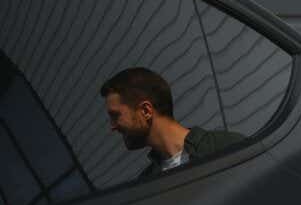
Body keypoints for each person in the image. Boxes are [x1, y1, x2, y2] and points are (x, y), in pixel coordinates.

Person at [100, 67, 245, 179]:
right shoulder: (146, 184)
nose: (112, 126)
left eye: (115, 115)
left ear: (146, 111)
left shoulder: (226, 147)